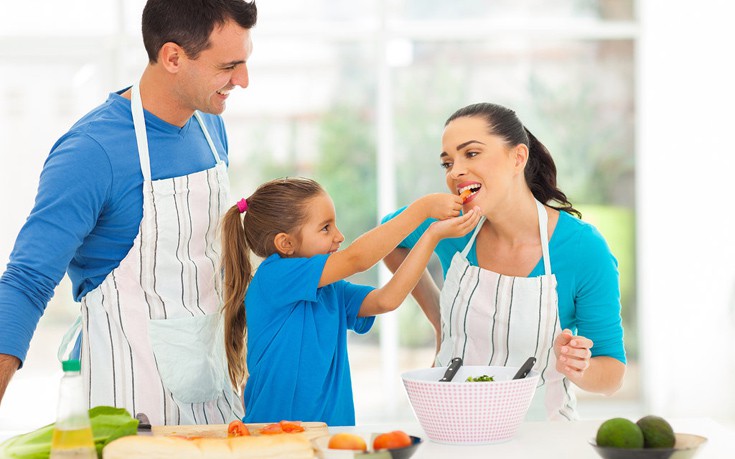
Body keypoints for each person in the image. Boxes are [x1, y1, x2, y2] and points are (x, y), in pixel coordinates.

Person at [0, 0, 258, 425]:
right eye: (229, 66)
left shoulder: (210, 127)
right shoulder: (90, 153)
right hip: (131, 409)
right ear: (173, 56)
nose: (243, 81)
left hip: (215, 398)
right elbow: (26, 283)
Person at [382, 102, 626, 420]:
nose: (455, 171)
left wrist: (580, 369)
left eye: (471, 154)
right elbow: (387, 240)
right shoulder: (452, 225)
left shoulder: (583, 248)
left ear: (518, 158)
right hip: (450, 427)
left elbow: (613, 375)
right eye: (447, 163)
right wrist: (438, 318)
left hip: (541, 438)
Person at [219, 177, 481, 426]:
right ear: (285, 243)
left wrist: (431, 235)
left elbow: (386, 300)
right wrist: (421, 210)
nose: (339, 236)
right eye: (326, 228)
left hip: (333, 436)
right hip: (274, 436)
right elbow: (357, 258)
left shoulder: (331, 289)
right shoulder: (273, 277)